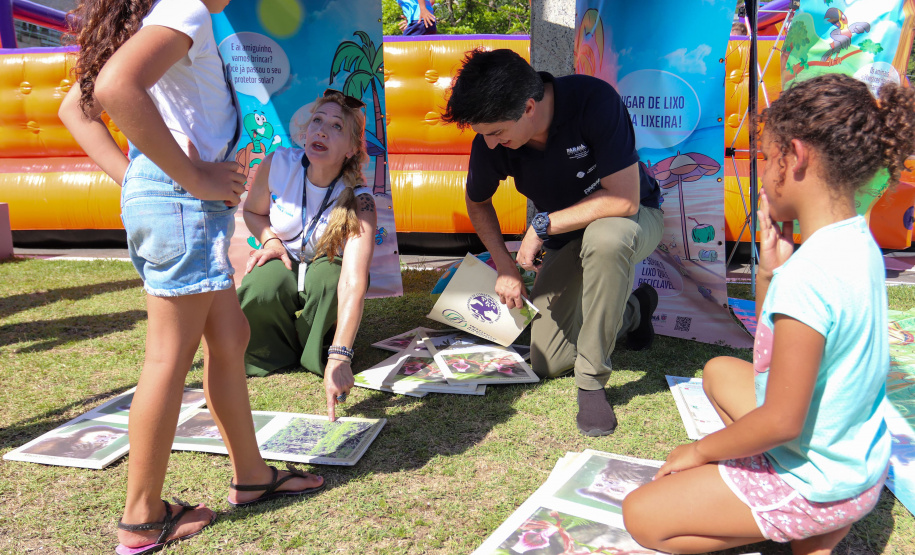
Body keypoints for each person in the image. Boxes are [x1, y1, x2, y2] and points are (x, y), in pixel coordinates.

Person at [59, 1, 323, 552]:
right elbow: (114, 87)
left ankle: (252, 476)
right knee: (167, 358)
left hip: (183, 206)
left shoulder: (170, 15)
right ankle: (141, 519)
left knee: (231, 336)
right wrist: (190, 178)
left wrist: (142, 179)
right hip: (186, 207)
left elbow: (73, 109)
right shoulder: (189, 9)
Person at [622, 73, 915, 554]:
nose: (760, 172)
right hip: (860, 464)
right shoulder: (857, 242)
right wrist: (767, 276)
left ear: (794, 157)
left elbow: (782, 421)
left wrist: (699, 451)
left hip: (818, 482)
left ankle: (805, 524)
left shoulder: (810, 276)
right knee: (719, 370)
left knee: (642, 515)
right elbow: (774, 352)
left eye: (764, 157)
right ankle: (811, 524)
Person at [442, 49, 664, 437]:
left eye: (496, 133)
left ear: (529, 107)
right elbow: (477, 202)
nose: (490, 144)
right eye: (483, 135)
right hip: (566, 237)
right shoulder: (491, 139)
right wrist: (506, 267)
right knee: (547, 360)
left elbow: (624, 199)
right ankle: (634, 311)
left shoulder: (593, 100)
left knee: (606, 239)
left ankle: (591, 382)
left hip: (632, 218)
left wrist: (543, 224)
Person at [237, 89, 377, 421]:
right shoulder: (277, 164)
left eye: (336, 126)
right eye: (317, 121)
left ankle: (322, 352)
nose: (322, 131)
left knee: (329, 279)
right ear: (305, 133)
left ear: (351, 149)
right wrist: (270, 241)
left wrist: (341, 356)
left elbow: (353, 282)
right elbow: (253, 212)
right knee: (261, 284)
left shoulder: (360, 200)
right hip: (286, 254)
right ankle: (272, 353)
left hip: (325, 264)